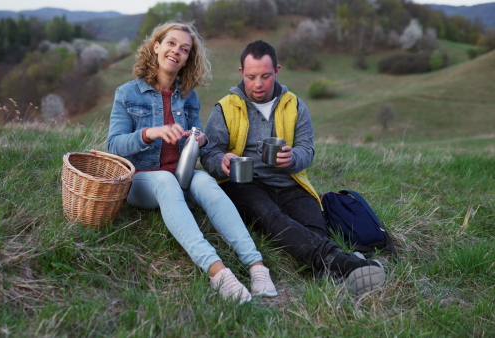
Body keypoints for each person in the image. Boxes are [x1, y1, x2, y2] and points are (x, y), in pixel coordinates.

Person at [106, 23, 276, 303]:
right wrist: (150, 133)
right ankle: (218, 272)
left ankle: (256, 266)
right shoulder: (127, 94)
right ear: (156, 46)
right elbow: (113, 145)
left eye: (184, 49)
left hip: (180, 175)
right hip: (143, 181)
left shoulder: (188, 98)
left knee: (206, 182)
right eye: (171, 43)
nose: (177, 51)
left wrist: (204, 146)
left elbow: (196, 142)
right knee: (164, 180)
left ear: (188, 59)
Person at [201, 40, 386, 295]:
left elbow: (306, 150)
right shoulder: (225, 108)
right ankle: (343, 262)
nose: (258, 84)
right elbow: (209, 153)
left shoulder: (295, 105)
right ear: (241, 72)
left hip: (290, 183)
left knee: (314, 228)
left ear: (277, 70)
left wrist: (293, 158)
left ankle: (330, 273)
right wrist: (220, 162)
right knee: (269, 216)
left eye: (265, 76)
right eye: (252, 76)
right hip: (246, 184)